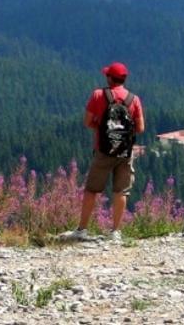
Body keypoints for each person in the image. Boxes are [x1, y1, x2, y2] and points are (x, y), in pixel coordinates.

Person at [65, 61, 145, 243]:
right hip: (125, 152)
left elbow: (87, 121)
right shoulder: (134, 99)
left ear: (110, 78)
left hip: (103, 150)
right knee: (121, 191)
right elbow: (140, 128)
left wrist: (101, 129)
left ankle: (82, 229)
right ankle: (115, 232)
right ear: (124, 79)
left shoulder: (98, 95)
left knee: (92, 190)